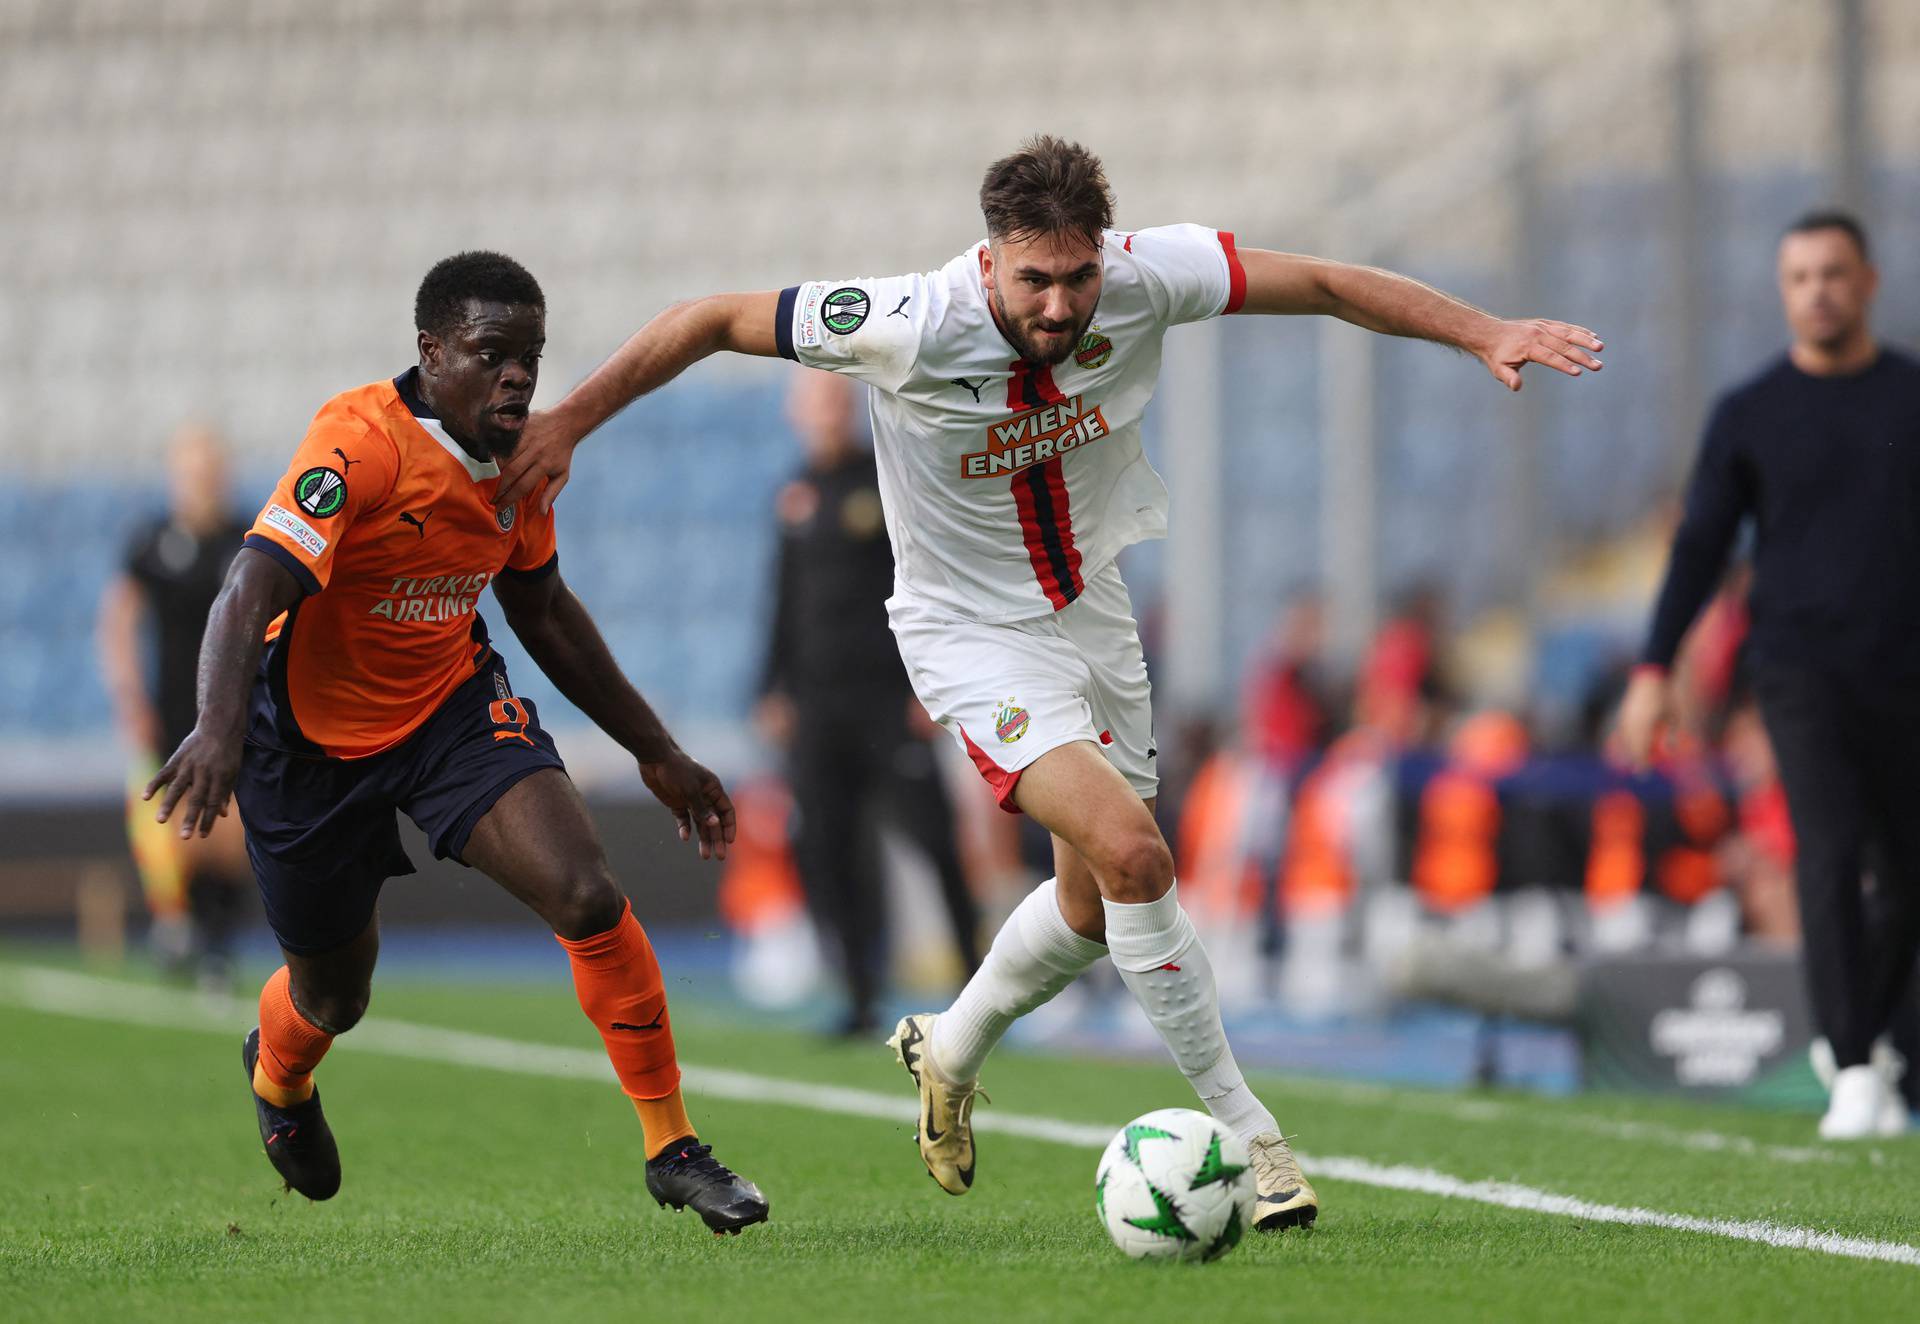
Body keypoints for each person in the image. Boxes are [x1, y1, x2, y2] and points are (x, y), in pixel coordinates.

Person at [495, 136, 1603, 1229]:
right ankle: (1257, 1136)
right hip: (969, 635)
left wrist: (1481, 329)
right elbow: (708, 318)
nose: (1064, 305)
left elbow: (1317, 281)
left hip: (1094, 614)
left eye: (1080, 277)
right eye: (1037, 279)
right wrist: (570, 421)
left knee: (1088, 906)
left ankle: (951, 1047)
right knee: (1136, 854)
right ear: (990, 261)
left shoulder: (1149, 274)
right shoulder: (909, 322)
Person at [144, 251, 767, 1231]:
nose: (518, 378)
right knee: (334, 996)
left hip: (448, 710)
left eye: (531, 356)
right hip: (304, 746)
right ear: (432, 353)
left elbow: (545, 611)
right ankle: (279, 1076)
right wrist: (216, 730)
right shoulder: (359, 442)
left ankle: (671, 1143)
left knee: (585, 890)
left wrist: (658, 750)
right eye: (493, 354)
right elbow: (249, 584)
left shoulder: (523, 463)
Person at [1619, 210, 1920, 1140]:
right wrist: (1655, 666)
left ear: (1868, 281)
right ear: (1783, 292)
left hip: (1905, 669)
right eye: (1800, 277)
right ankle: (1858, 1068)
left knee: (1907, 876)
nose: (1819, 290)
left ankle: (1867, 1036)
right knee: (1826, 853)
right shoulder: (1750, 414)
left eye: (1835, 273)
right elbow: (1701, 545)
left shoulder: (1912, 396)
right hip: (1798, 670)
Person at [756, 369, 982, 1036]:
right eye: (814, 404)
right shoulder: (793, 496)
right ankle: (859, 994)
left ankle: (977, 988)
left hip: (888, 699)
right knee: (830, 850)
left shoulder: (884, 484)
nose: (825, 415)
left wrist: (927, 683)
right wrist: (771, 688)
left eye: (833, 402)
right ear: (797, 414)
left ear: (849, 409)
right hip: (817, 706)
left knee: (933, 838)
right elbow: (782, 602)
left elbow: (928, 585)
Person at [97, 425, 253, 984]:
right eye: (191, 471)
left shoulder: (247, 539)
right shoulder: (152, 541)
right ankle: (179, 925)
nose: (201, 482)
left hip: (233, 708)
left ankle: (217, 941)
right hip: (169, 709)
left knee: (229, 831)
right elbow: (119, 620)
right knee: (169, 827)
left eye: (209, 470)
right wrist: (127, 695)